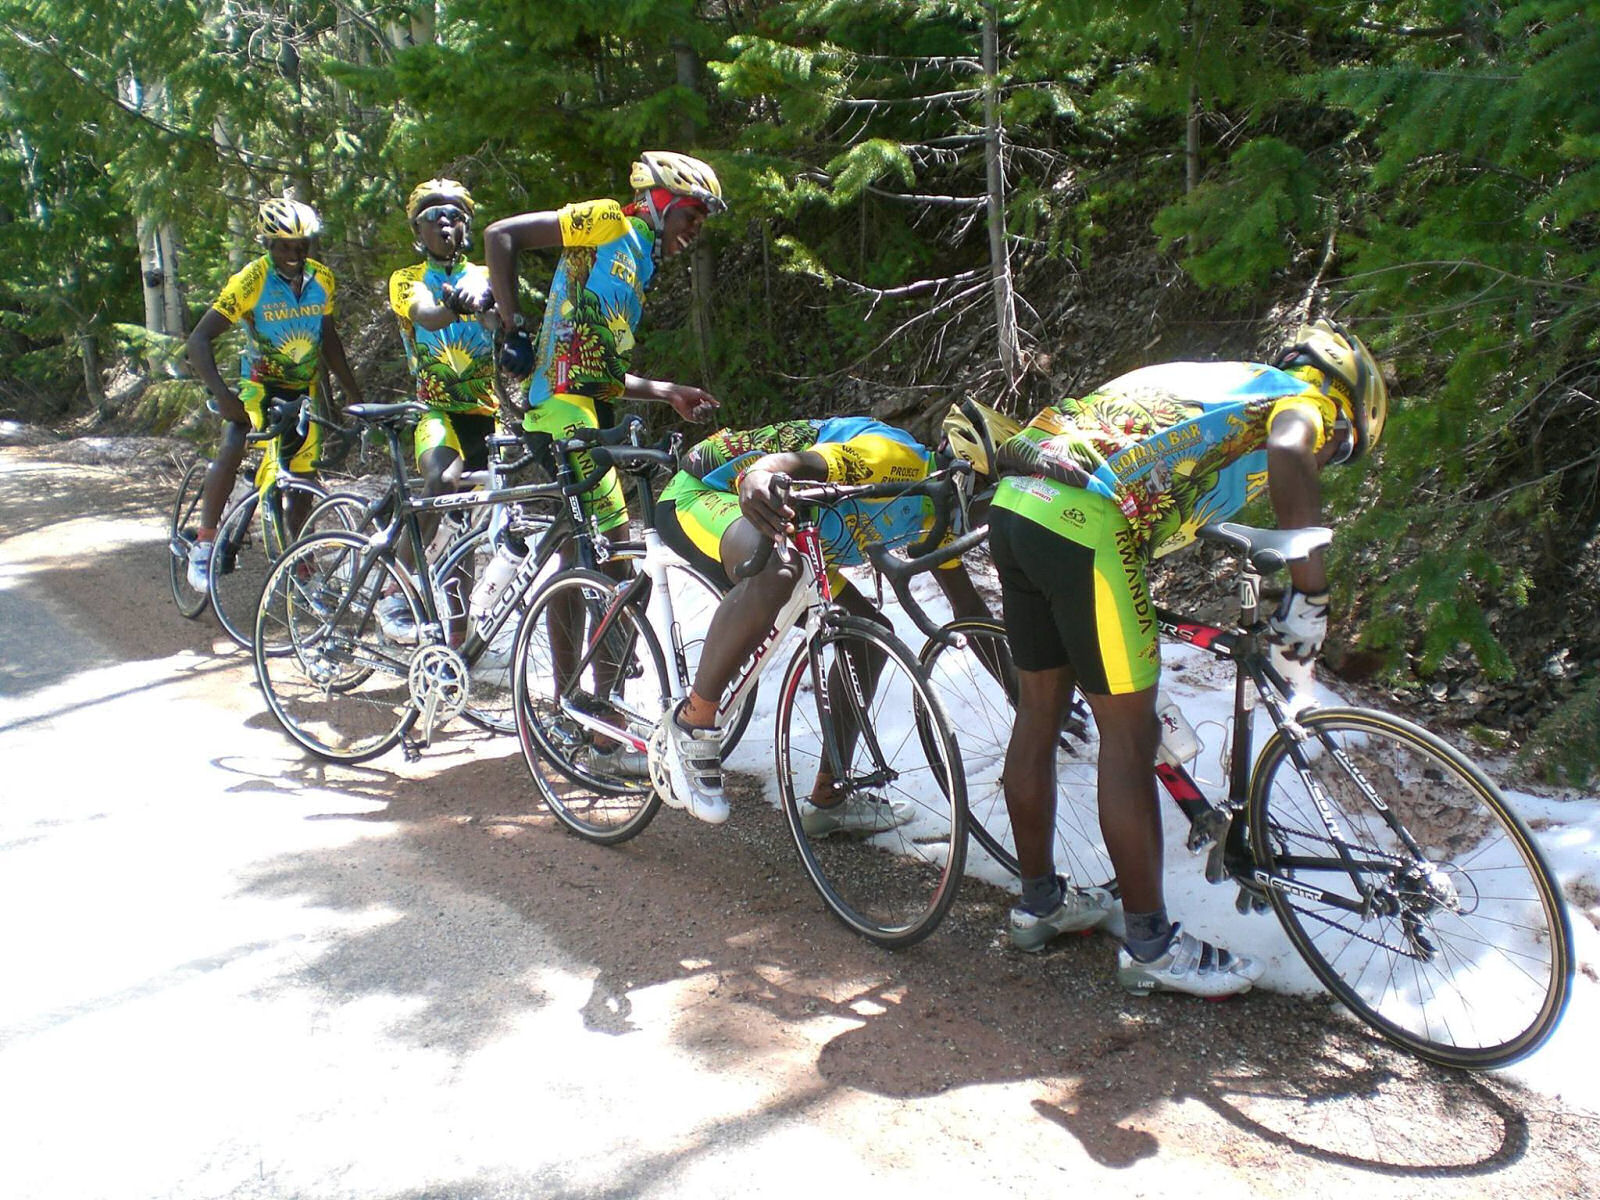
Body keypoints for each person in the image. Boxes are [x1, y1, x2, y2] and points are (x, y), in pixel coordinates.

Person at [988, 318, 1388, 996]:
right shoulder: (1300, 400)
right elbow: (1291, 456)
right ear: (1341, 401)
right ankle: (1152, 946)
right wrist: (1311, 598)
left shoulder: (1216, 383)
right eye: (1343, 447)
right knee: (1128, 735)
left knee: (1039, 713)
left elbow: (1164, 483)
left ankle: (1039, 904)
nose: (1328, 457)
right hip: (1085, 525)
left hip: (1018, 503)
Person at [653, 403, 1018, 825]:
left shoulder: (936, 513)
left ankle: (830, 797)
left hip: (803, 535)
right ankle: (692, 725)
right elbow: (795, 462)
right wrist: (759, 474)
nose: (988, 518)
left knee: (869, 636)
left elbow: (968, 610)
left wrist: (1025, 700)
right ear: (965, 478)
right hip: (709, 492)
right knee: (780, 570)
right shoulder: (893, 461)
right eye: (990, 503)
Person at [480, 150, 726, 546]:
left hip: (592, 406)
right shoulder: (609, 222)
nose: (696, 229)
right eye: (691, 216)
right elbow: (501, 236)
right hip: (559, 404)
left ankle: (531, 591)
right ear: (660, 204)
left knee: (585, 552)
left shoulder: (640, 264)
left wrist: (668, 392)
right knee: (614, 542)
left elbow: (598, 369)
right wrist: (515, 329)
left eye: (701, 222)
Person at [185, 197, 364, 590]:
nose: (295, 254)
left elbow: (329, 340)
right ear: (268, 243)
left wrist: (353, 393)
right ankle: (206, 540)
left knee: (303, 476)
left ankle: (299, 556)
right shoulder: (251, 280)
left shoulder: (323, 280)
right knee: (234, 441)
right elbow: (198, 340)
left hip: (303, 390)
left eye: (303, 246)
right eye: (285, 245)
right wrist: (224, 397)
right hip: (259, 387)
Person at [375, 178, 502, 642]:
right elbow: (425, 314)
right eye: (434, 218)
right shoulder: (407, 278)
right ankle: (396, 585)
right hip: (434, 409)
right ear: (418, 232)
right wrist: (455, 301)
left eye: (454, 216)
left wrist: (486, 303)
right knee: (444, 484)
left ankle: (456, 643)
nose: (445, 224)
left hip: (486, 413)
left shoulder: (486, 274)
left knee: (464, 528)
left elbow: (498, 322)